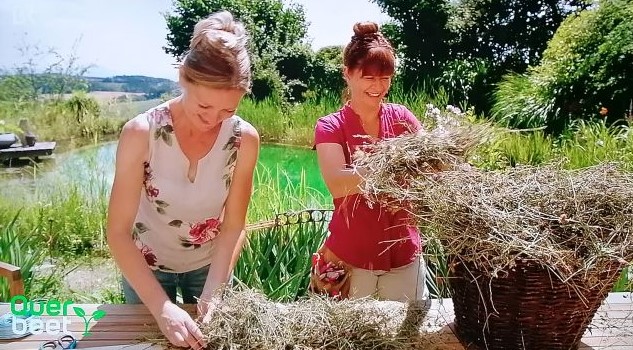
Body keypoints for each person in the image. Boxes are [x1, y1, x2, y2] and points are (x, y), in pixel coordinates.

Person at [106, 11, 259, 350]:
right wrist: (163, 310)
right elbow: (117, 232)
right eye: (204, 105)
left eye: (227, 111)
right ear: (183, 79)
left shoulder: (244, 139)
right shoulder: (141, 133)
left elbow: (234, 225)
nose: (212, 120)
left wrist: (214, 294)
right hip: (146, 266)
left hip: (210, 266)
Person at [311, 21, 429, 302]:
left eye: (385, 77)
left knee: (406, 340)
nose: (378, 86)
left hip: (404, 256)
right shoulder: (329, 126)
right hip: (351, 258)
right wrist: (391, 162)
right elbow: (339, 184)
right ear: (347, 74)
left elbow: (432, 164)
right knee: (346, 341)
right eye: (369, 77)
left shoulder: (402, 118)